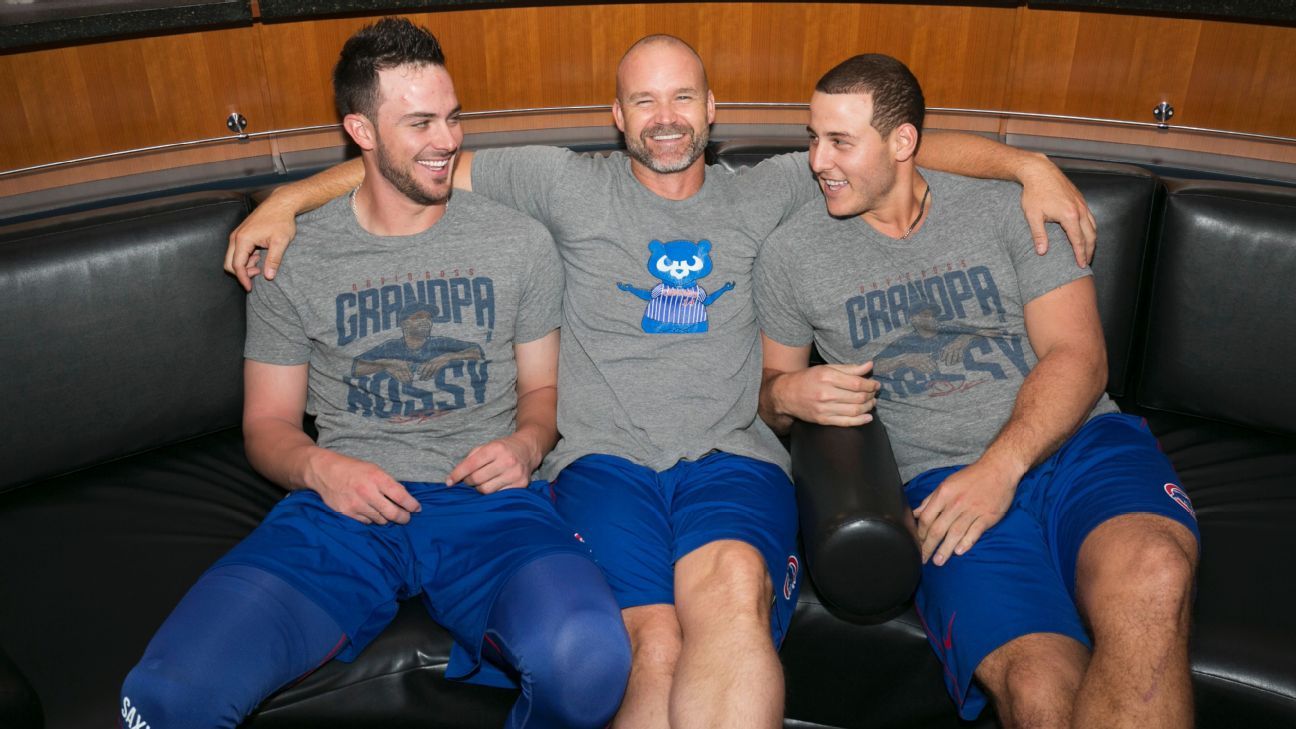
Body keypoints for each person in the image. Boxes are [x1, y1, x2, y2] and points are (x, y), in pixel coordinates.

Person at [223, 34, 1097, 729]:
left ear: (713, 110)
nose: (667, 117)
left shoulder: (772, 189)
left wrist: (1030, 166)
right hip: (601, 465)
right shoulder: (563, 182)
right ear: (617, 115)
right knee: (651, 643)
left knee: (726, 600)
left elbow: (901, 148)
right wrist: (286, 201)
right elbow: (407, 159)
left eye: (683, 96)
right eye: (645, 99)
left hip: (734, 459)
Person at [119, 18, 630, 729]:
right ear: (361, 130)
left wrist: (525, 445)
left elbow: (541, 394)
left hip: (486, 503)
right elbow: (267, 426)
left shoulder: (519, 242)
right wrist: (323, 469)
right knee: (167, 696)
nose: (447, 141)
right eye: (420, 123)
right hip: (343, 509)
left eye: (453, 118)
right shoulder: (292, 259)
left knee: (591, 663)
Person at [755, 53, 1199, 728]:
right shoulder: (790, 254)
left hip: (1077, 446)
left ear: (903, 144)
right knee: (1039, 692)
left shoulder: (1006, 212)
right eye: (812, 138)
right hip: (937, 484)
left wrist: (1000, 469)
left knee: (1153, 574)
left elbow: (1079, 357)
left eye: (839, 141)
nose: (817, 160)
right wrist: (788, 394)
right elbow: (767, 388)